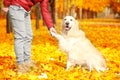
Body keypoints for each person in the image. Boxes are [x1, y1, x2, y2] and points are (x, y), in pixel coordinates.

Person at [2, 0, 56, 73]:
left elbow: (45, 10)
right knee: (20, 36)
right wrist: (6, 4)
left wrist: (50, 27)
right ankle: (20, 64)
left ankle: (27, 62)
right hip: (16, 7)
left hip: (26, 11)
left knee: (28, 36)